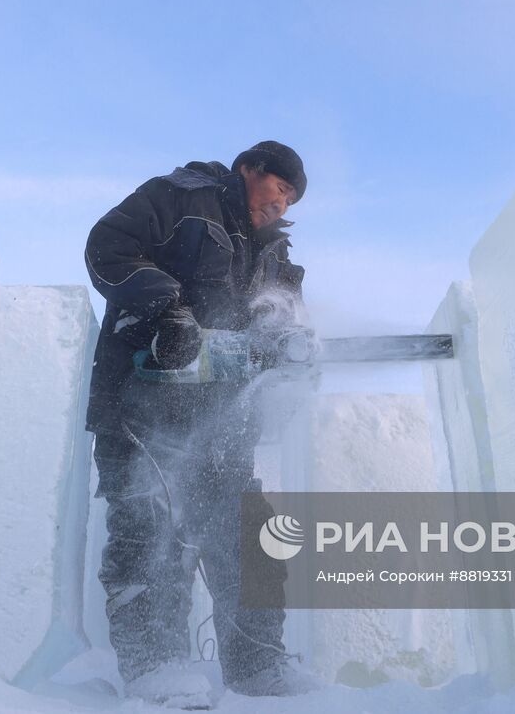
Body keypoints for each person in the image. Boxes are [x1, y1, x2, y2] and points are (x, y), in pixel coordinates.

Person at [83, 141, 323, 706]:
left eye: (290, 199)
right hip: (141, 407)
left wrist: (282, 340)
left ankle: (258, 667)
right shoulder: (182, 199)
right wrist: (167, 310)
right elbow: (107, 245)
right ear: (250, 169)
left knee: (249, 539)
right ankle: (155, 668)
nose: (281, 206)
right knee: (149, 530)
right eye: (279, 189)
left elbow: (277, 316)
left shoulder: (276, 257)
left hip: (221, 424)